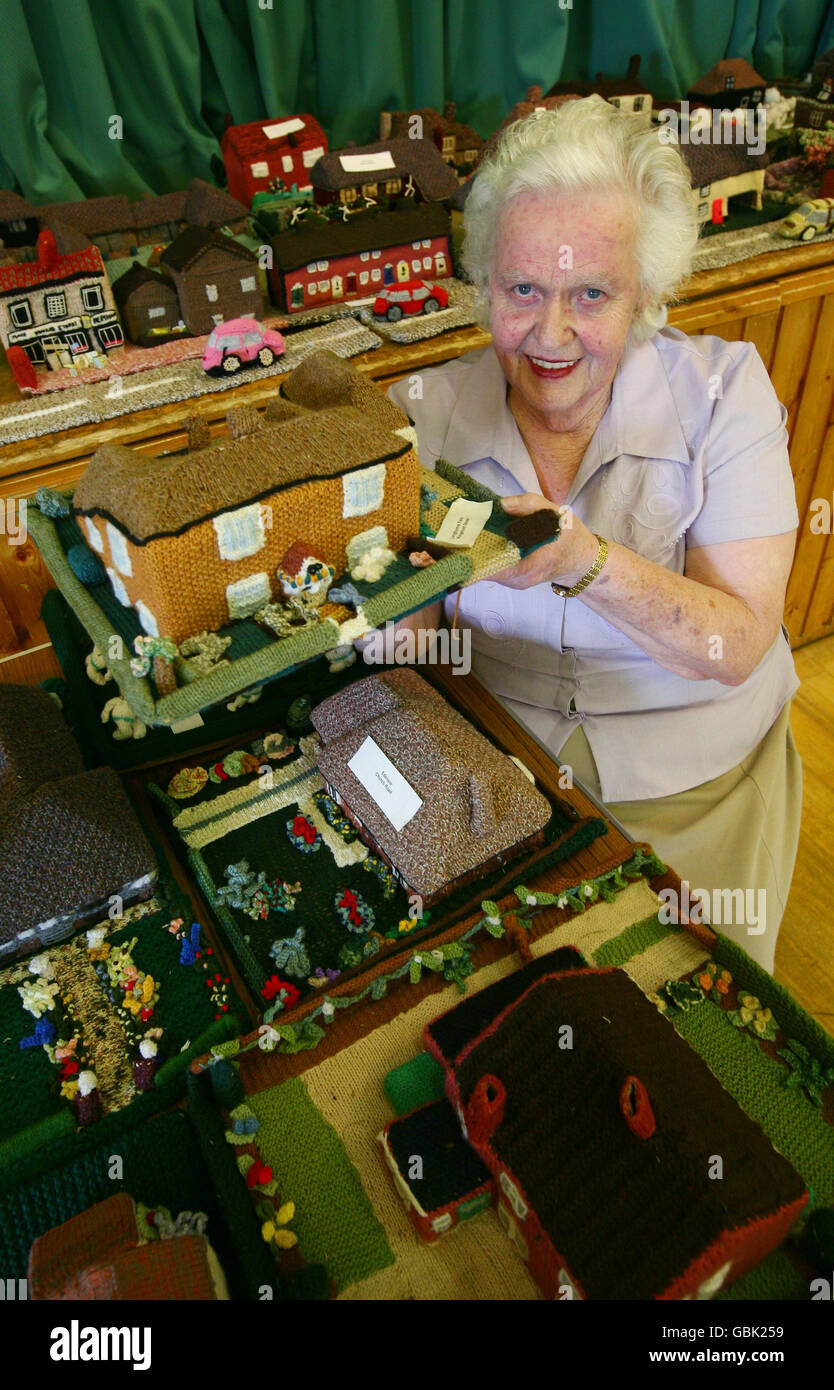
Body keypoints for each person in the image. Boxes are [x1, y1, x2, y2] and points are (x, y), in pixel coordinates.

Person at [387, 96, 801, 973]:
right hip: (501, 780)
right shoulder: (420, 418)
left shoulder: (729, 396)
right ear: (485, 284)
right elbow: (411, 660)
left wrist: (586, 564)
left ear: (646, 294)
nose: (550, 335)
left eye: (591, 295)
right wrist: (383, 608)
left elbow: (734, 645)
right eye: (523, 290)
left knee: (695, 1032)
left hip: (700, 783)